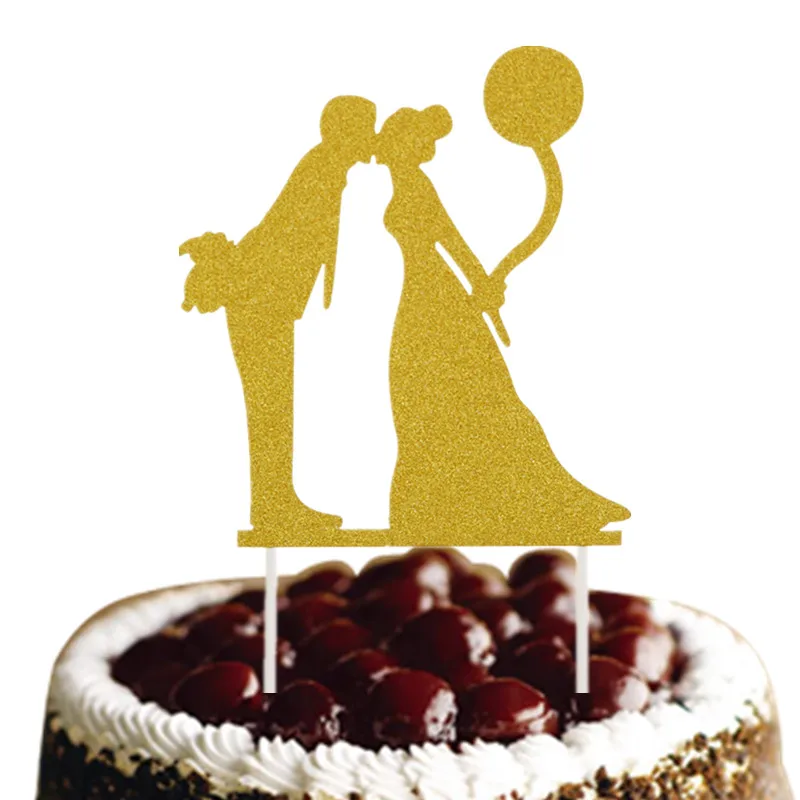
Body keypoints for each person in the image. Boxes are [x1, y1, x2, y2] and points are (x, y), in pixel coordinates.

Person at [376, 105, 630, 542]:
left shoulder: (416, 184)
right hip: (426, 298)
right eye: (423, 140)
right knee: (432, 399)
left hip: (435, 298)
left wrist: (482, 285)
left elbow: (451, 240)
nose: (428, 147)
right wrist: (481, 284)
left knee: (476, 397)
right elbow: (452, 243)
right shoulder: (404, 183)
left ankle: (535, 499)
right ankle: (438, 506)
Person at [180, 96, 376, 532]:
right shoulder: (322, 168)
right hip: (259, 301)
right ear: (345, 131)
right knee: (269, 406)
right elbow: (281, 236)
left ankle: (277, 502)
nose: (373, 137)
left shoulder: (329, 168)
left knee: (274, 405)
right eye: (367, 128)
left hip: (269, 301)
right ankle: (273, 507)